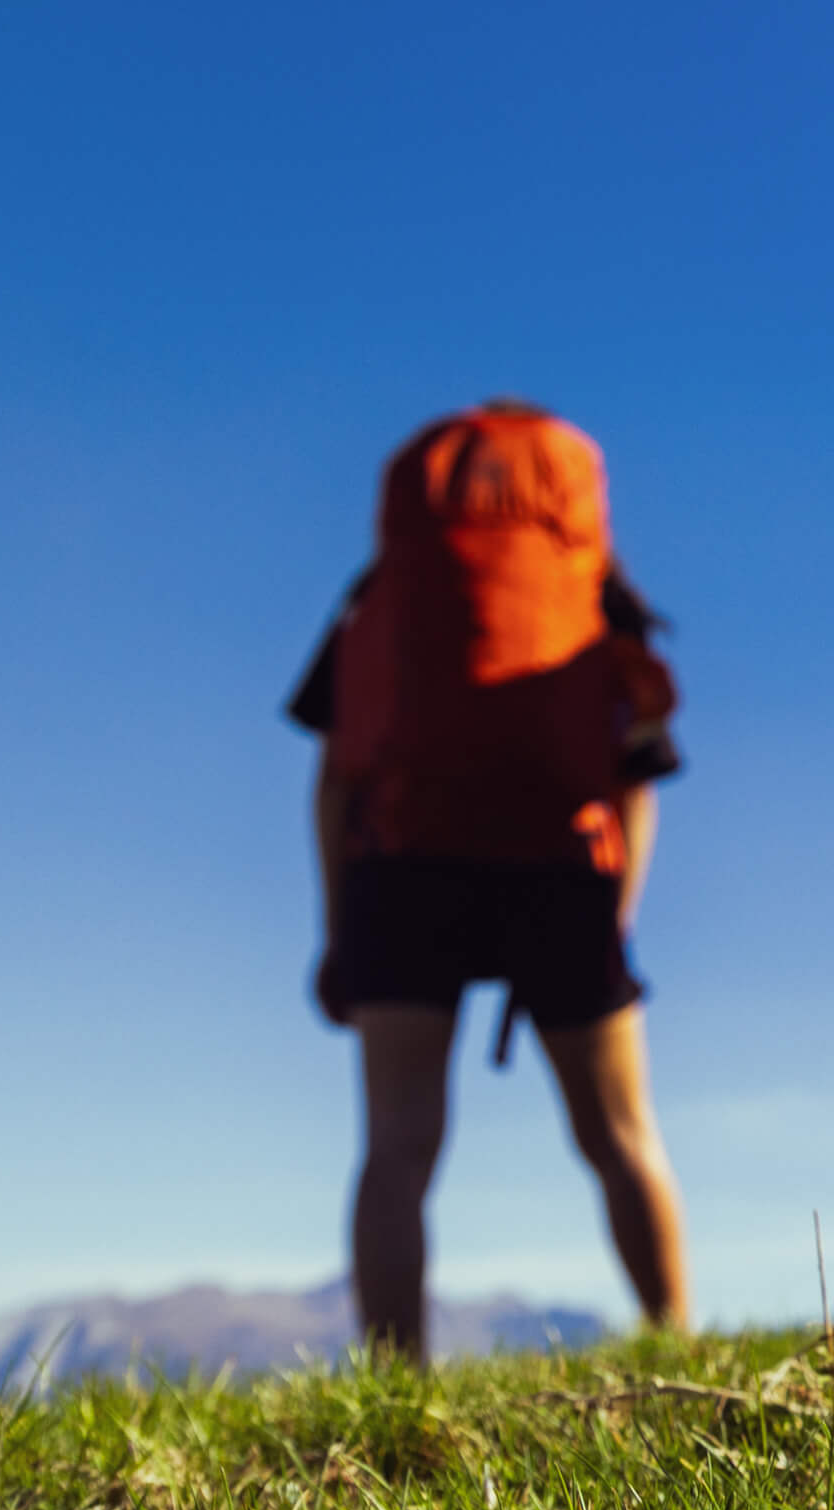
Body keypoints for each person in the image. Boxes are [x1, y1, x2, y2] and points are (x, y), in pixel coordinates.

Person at [288, 399, 691, 1360]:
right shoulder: (593, 603)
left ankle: (396, 1381)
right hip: (562, 867)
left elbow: (335, 781)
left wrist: (338, 927)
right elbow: (641, 779)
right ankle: (678, 1346)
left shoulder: (377, 608)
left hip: (403, 867)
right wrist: (613, 914)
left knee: (397, 1147)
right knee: (621, 1135)